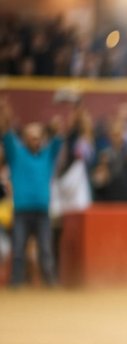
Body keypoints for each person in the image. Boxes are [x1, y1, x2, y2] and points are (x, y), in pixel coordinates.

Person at [1, 101, 64, 286]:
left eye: (38, 137)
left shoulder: (47, 155)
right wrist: (5, 112)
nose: (35, 140)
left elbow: (59, 136)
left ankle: (50, 283)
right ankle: (16, 283)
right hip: (21, 211)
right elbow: (5, 131)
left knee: (45, 250)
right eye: (31, 136)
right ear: (25, 138)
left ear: (42, 138)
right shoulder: (16, 154)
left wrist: (56, 123)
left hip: (42, 212)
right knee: (18, 250)